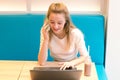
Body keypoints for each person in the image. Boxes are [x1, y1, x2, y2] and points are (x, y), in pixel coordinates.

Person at [38, 2, 91, 70]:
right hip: (56, 66)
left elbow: (85, 56)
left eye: (59, 23)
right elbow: (41, 62)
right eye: (52, 22)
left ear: (66, 21)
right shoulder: (45, 31)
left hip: (72, 66)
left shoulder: (75, 33)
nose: (55, 26)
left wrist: (71, 63)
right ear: (48, 20)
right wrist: (46, 39)